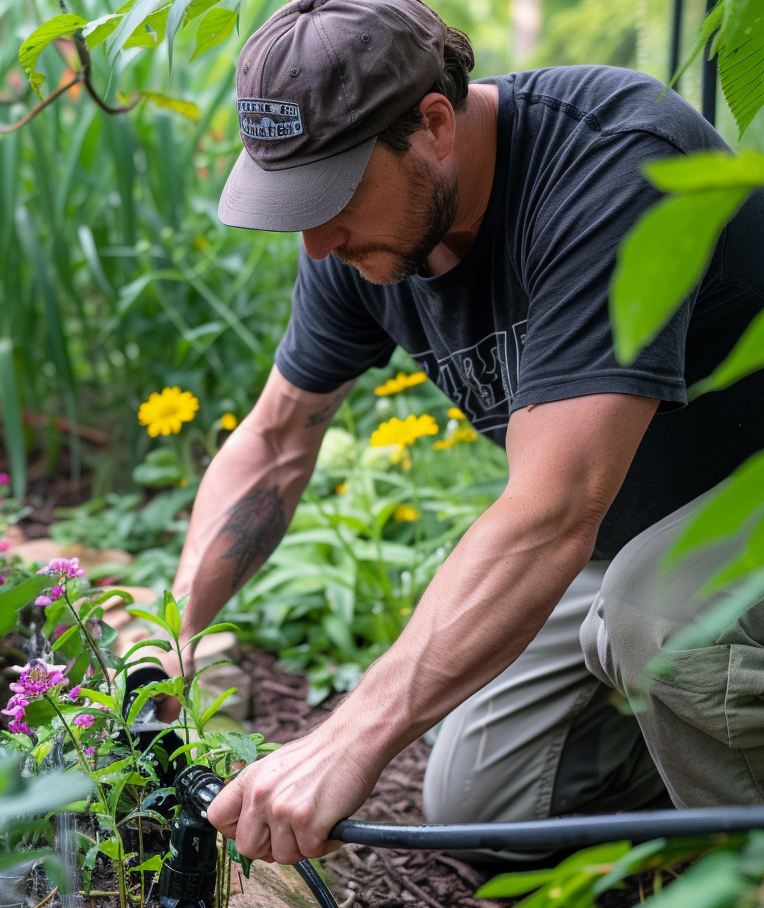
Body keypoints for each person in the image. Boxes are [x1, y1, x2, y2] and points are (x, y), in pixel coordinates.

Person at [162, 0, 764, 864]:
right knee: (481, 800)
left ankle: (748, 896)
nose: (318, 240)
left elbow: (553, 510)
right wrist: (172, 637)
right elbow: (275, 441)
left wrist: (349, 738)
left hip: (734, 502)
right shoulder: (362, 237)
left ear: (435, 125)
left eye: (331, 195)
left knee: (655, 611)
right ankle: (701, 739)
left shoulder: (612, 161)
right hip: (628, 528)